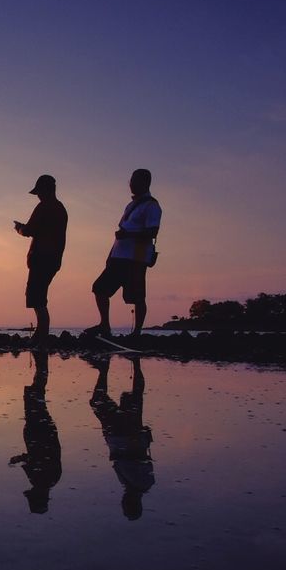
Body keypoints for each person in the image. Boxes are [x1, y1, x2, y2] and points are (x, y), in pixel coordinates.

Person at [90, 169, 161, 338]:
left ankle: (137, 332)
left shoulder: (152, 206)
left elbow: (152, 232)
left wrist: (128, 235)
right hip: (118, 257)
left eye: (135, 180)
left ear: (145, 182)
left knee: (137, 296)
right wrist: (111, 256)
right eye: (131, 180)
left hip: (135, 258)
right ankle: (105, 325)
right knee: (99, 288)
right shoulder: (131, 205)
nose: (131, 184)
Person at [89, 355, 155, 520]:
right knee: (106, 400)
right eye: (127, 504)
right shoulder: (140, 483)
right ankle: (122, 367)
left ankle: (128, 365)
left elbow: (141, 459)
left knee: (132, 399)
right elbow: (139, 458)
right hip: (123, 435)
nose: (123, 501)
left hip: (121, 435)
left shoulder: (134, 484)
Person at [13, 175, 67, 340]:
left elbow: (30, 230)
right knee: (39, 295)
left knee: (37, 297)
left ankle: (41, 334)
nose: (38, 195)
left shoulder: (44, 207)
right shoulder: (60, 209)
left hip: (41, 258)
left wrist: (19, 228)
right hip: (53, 259)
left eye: (40, 191)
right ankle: (41, 332)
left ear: (47, 190)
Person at [9, 351, 62, 513]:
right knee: (34, 396)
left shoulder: (53, 479)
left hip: (45, 432)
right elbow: (33, 459)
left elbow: (40, 457)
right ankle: (41, 363)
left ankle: (41, 364)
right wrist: (19, 459)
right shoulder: (38, 479)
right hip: (38, 432)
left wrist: (22, 459)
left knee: (36, 397)